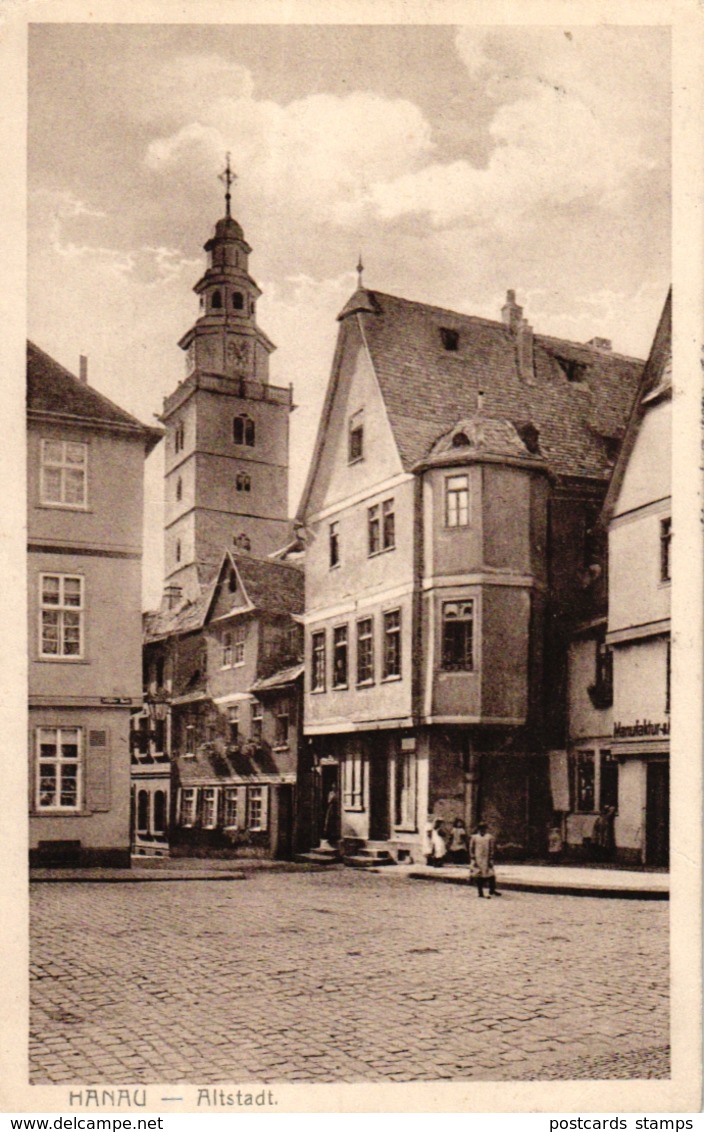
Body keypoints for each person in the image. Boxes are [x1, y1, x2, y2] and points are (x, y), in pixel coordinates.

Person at [470, 820, 500, 897]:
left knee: (491, 875)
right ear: (478, 829)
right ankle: (480, 892)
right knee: (479, 876)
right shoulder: (474, 837)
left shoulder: (489, 837)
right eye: (480, 828)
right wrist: (473, 858)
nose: (482, 830)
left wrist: (491, 858)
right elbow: (471, 848)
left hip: (487, 859)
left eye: (484, 828)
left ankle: (492, 890)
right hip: (478, 859)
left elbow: (491, 848)